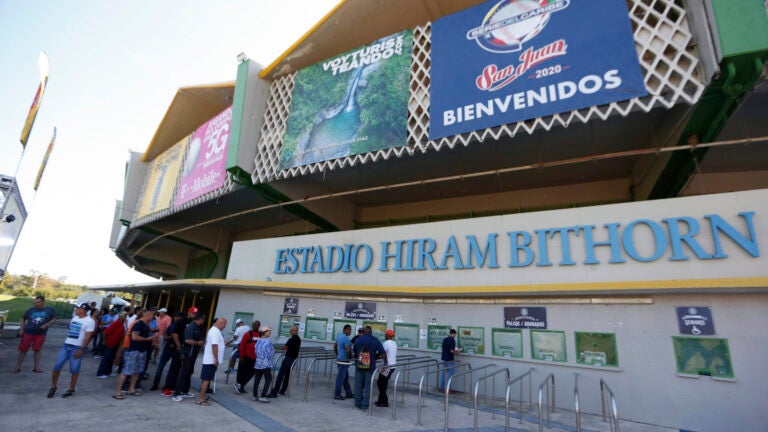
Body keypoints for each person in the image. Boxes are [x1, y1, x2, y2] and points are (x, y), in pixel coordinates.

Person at [48, 303, 95, 398]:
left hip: (77, 347)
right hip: (66, 345)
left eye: (77, 309)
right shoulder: (74, 318)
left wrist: (81, 349)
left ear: (83, 310)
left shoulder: (90, 321)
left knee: (74, 369)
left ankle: (71, 389)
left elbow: (88, 337)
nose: (75, 310)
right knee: (57, 366)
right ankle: (53, 386)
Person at [112, 309, 155, 399]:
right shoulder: (139, 323)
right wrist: (147, 339)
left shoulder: (145, 324)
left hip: (141, 351)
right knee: (126, 371)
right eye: (152, 315)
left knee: (137, 371)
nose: (153, 317)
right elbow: (134, 337)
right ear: (147, 315)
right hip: (133, 351)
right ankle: (118, 392)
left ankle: (131, 389)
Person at [14, 295, 56, 373]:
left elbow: (54, 319)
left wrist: (47, 324)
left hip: (40, 333)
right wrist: (21, 329)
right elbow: (23, 318)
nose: (36, 304)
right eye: (35, 302)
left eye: (38, 302)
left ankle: (36, 367)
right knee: (23, 349)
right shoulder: (31, 310)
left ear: (43, 302)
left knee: (37, 349)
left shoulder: (49, 310)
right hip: (28, 332)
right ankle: (17, 367)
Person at [172, 312, 205, 402]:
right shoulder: (191, 327)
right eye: (203, 319)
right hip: (187, 353)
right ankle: (177, 393)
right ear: (200, 319)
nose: (204, 321)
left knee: (189, 372)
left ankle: (185, 391)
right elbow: (187, 340)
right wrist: (198, 343)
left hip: (193, 354)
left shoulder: (198, 327)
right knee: (183, 373)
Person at [353, 326, 387, 411]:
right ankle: (364, 405)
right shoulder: (375, 340)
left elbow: (355, 351)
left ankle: (357, 403)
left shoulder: (358, 340)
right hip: (370, 366)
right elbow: (383, 352)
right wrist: (385, 361)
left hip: (359, 365)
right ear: (371, 332)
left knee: (358, 385)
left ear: (363, 332)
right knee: (368, 386)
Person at [196, 317, 227, 406]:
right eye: (224, 325)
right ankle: (201, 399)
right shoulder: (215, 332)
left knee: (207, 379)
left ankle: (203, 395)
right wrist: (216, 359)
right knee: (206, 379)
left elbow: (217, 344)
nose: (224, 327)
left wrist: (224, 343)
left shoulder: (216, 331)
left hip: (210, 360)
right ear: (220, 323)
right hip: (210, 360)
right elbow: (214, 346)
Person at [151, 311, 181, 390]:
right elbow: (165, 333)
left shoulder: (173, 324)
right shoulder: (172, 325)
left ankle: (165, 385)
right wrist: (170, 339)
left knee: (166, 367)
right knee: (164, 366)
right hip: (170, 347)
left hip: (172, 347)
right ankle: (158, 384)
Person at [268, 325, 301, 397]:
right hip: (293, 359)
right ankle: (283, 390)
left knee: (281, 375)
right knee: (287, 376)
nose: (290, 331)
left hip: (288, 359)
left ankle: (274, 392)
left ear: (295, 331)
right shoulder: (298, 339)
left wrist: (279, 347)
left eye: (291, 330)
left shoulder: (291, 339)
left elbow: (284, 347)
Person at [161, 312, 187, 396]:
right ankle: (167, 388)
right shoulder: (178, 323)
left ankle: (172, 386)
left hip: (176, 348)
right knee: (173, 368)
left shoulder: (178, 323)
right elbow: (174, 334)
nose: (175, 318)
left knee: (176, 369)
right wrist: (178, 344)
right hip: (174, 348)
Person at [96, 311, 126, 377]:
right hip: (110, 343)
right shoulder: (115, 323)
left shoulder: (121, 324)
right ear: (121, 317)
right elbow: (105, 332)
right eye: (125, 317)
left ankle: (108, 372)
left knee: (111, 358)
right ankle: (100, 373)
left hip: (115, 344)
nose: (126, 318)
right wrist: (104, 341)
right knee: (106, 358)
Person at [234, 319, 260, 394]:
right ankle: (240, 386)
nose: (255, 326)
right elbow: (242, 345)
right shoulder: (247, 334)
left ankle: (240, 385)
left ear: (259, 326)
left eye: (256, 325)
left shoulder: (260, 335)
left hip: (255, 358)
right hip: (246, 357)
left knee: (251, 372)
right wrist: (241, 356)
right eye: (254, 324)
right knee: (242, 372)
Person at [375, 329, 398, 407]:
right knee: (382, 383)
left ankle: (384, 401)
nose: (384, 336)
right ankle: (381, 400)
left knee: (381, 383)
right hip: (392, 366)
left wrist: (375, 357)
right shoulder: (394, 343)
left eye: (385, 335)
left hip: (387, 366)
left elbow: (382, 352)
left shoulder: (386, 343)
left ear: (388, 335)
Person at [252, 326, 274, 403]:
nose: (270, 332)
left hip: (258, 362)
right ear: (264, 333)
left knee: (257, 379)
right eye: (268, 331)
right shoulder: (268, 342)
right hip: (266, 363)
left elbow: (255, 351)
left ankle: (255, 396)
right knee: (268, 379)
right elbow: (270, 353)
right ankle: (263, 396)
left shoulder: (258, 341)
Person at [333, 324, 354, 400]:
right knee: (340, 378)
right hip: (344, 361)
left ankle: (349, 393)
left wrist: (337, 354)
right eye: (349, 329)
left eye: (351, 329)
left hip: (340, 359)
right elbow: (348, 349)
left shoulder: (339, 336)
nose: (350, 331)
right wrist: (350, 357)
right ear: (345, 330)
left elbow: (335, 346)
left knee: (345, 378)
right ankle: (337, 394)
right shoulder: (345, 338)